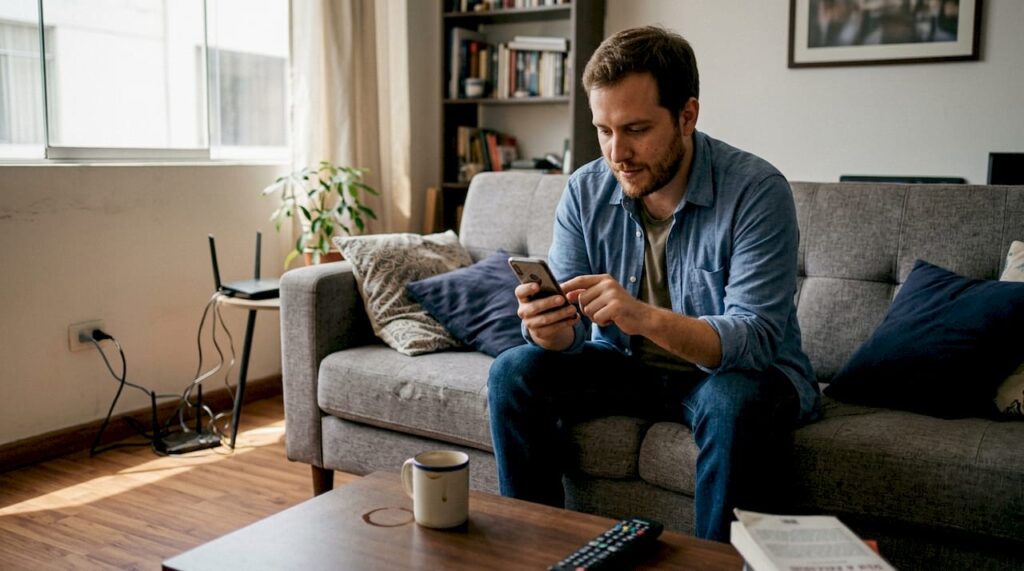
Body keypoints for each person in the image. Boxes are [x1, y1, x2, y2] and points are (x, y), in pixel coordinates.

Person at [487, 25, 821, 543]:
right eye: (604, 130)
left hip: (739, 375)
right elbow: (572, 334)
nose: (616, 152)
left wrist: (639, 314)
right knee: (514, 369)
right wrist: (550, 331)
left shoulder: (757, 191)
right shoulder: (585, 190)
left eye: (637, 129)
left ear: (687, 116)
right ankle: (538, 549)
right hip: (629, 367)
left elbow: (754, 339)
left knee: (732, 402)